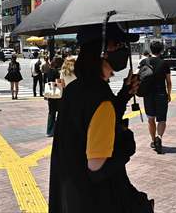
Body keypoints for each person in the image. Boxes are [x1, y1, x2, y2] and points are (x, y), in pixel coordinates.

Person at [49, 23, 153, 212]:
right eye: (117, 46)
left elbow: (87, 123)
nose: (122, 51)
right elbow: (96, 166)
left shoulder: (75, 89)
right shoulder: (100, 99)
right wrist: (127, 144)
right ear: (102, 53)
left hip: (69, 196)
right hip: (96, 199)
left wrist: (124, 95)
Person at [142, 41, 172, 154]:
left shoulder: (145, 61)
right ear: (162, 50)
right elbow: (168, 82)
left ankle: (153, 140)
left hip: (148, 95)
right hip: (161, 94)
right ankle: (159, 137)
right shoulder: (164, 63)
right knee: (162, 119)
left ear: (150, 49)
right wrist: (169, 94)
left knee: (150, 119)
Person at [45, 56, 63, 137]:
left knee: (51, 113)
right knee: (59, 112)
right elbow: (58, 82)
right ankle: (56, 130)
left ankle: (49, 131)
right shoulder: (56, 72)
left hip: (51, 95)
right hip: (57, 95)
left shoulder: (49, 70)